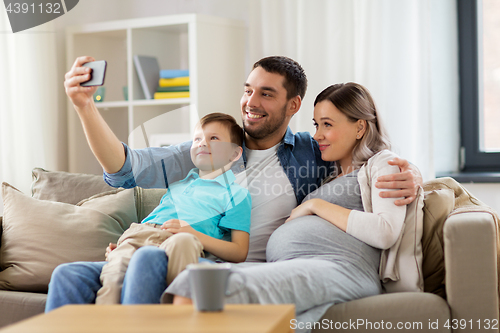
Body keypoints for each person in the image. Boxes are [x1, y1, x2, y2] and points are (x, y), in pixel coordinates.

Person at [46, 55, 422, 311]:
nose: (250, 102)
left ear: (293, 106)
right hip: (158, 245)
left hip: (217, 263)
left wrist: (414, 176)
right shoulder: (214, 144)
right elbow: (126, 168)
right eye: (248, 89)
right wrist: (84, 106)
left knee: (145, 263)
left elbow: (364, 157)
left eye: (266, 93)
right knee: (69, 275)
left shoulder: (313, 151)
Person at [166, 83, 424, 332]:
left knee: (199, 287)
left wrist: (315, 205)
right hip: (293, 264)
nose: (317, 135)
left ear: (359, 128)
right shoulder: (326, 170)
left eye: (327, 125)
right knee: (199, 275)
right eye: (316, 124)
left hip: (338, 268)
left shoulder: (382, 163)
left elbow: (385, 230)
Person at [95, 112, 251, 304]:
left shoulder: (236, 194)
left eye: (214, 138)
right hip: (140, 233)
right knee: (113, 282)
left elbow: (239, 252)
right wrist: (122, 248)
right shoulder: (178, 183)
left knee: (183, 241)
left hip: (181, 240)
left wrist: (194, 234)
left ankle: (178, 317)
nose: (202, 143)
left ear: (234, 153)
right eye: (197, 139)